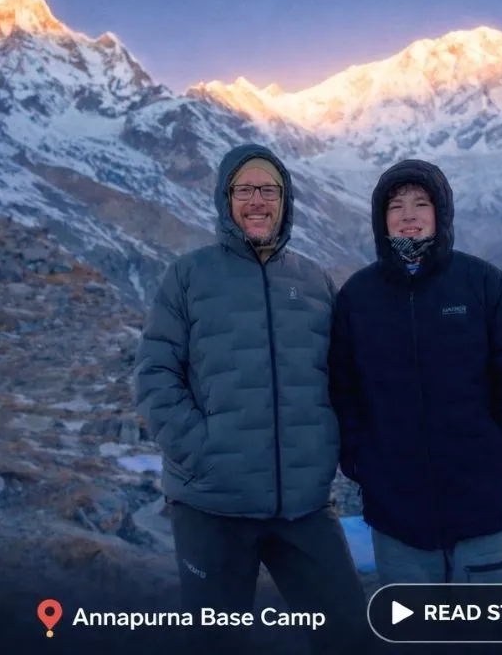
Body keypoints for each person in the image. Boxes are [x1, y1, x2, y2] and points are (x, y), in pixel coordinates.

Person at [134, 144, 369, 654]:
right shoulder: (188, 276)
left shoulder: (313, 280)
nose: (257, 200)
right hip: (211, 506)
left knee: (351, 636)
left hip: (303, 506)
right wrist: (202, 453)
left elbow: (341, 379)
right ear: (226, 199)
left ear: (285, 201)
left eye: (269, 190)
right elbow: (155, 373)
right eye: (245, 190)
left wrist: (329, 453)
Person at [329, 158, 502, 585]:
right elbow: (343, 388)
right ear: (380, 219)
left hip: (485, 509)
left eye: (421, 203)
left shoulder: (482, 283)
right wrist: (359, 461)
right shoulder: (359, 296)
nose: (409, 216)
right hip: (397, 516)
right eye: (396, 206)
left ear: (441, 213)